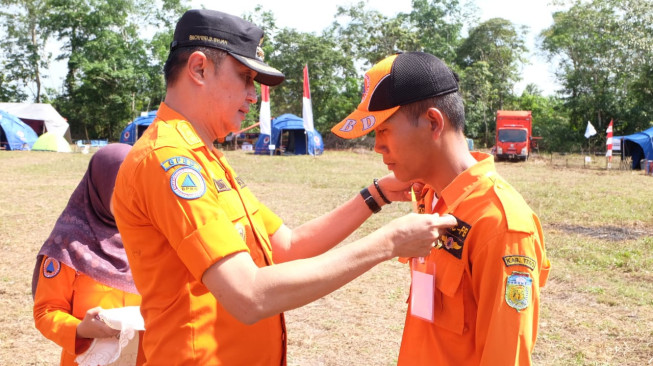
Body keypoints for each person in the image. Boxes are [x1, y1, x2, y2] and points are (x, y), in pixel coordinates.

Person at [111, 9, 457, 366]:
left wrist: (377, 195)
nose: (252, 94)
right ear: (199, 68)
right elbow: (248, 295)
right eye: (245, 77)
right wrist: (387, 243)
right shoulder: (168, 161)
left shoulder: (205, 157)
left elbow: (288, 247)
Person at [331, 52, 552, 365]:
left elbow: (505, 356)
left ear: (433, 122)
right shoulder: (429, 197)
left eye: (384, 130)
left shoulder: (500, 224)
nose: (377, 146)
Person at [32, 143, 144, 366]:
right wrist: (80, 329)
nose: (130, 199)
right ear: (100, 188)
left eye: (136, 188)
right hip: (88, 359)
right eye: (119, 190)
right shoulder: (67, 243)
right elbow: (47, 311)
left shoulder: (150, 236)